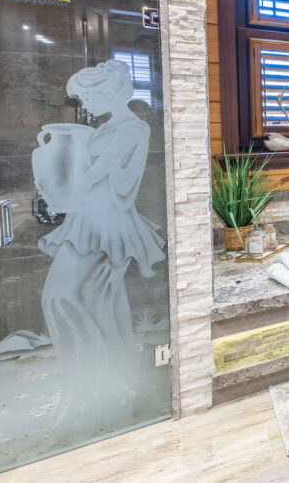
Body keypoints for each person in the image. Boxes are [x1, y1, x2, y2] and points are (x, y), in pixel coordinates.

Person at [35, 59, 165, 429]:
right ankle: (100, 386)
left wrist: (52, 176)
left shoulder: (132, 129)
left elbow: (90, 175)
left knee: (63, 297)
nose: (83, 104)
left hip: (105, 226)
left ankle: (100, 382)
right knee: (98, 300)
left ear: (107, 92)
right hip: (87, 222)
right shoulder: (104, 129)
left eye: (86, 96)